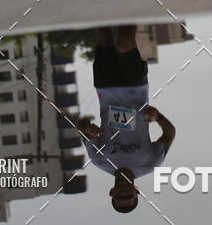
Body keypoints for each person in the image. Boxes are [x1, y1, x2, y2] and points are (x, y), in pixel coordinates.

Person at [75, 26, 176, 213]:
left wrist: (87, 129)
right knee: (124, 42)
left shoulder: (99, 160)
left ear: (111, 192)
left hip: (106, 88)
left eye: (119, 196)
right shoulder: (151, 163)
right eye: (128, 195)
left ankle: (107, 9)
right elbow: (170, 134)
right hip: (135, 88)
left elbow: (81, 127)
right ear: (136, 191)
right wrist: (158, 117)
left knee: (104, 36)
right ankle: (130, 8)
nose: (123, 192)